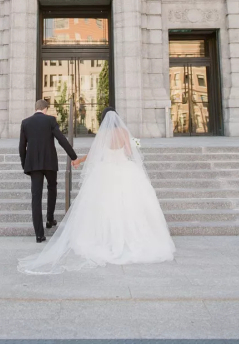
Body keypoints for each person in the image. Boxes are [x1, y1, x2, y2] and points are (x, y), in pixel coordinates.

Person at [18, 106, 176, 274]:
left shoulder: (103, 134)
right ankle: (132, 238)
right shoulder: (123, 131)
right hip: (124, 169)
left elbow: (94, 154)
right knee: (130, 204)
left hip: (104, 171)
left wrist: (77, 161)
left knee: (103, 205)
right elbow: (129, 152)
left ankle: (100, 238)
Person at [19, 98, 80, 243]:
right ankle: (50, 218)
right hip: (49, 162)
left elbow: (22, 147)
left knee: (36, 197)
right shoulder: (50, 121)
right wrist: (73, 156)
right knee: (52, 187)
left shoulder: (25, 123)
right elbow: (61, 139)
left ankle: (39, 235)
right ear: (45, 109)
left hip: (33, 164)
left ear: (36, 109)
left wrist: (25, 165)